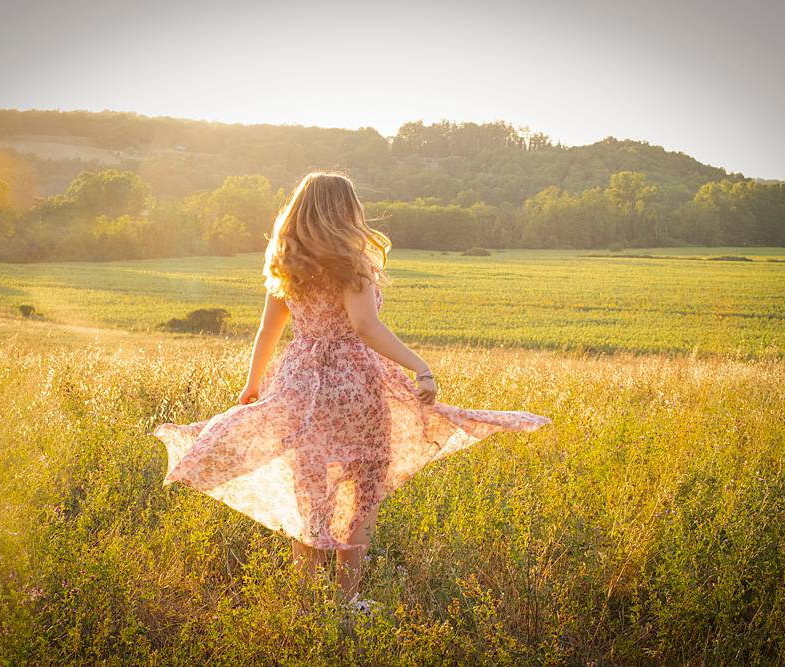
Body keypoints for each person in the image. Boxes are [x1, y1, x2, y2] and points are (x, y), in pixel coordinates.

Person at [151, 171, 552, 615]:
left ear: (299, 210)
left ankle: (305, 605)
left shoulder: (287, 262)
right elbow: (365, 326)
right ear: (346, 211)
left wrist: (252, 385)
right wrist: (420, 366)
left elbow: (268, 330)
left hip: (299, 381)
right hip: (354, 382)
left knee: (311, 490)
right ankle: (346, 602)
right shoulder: (351, 264)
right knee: (362, 492)